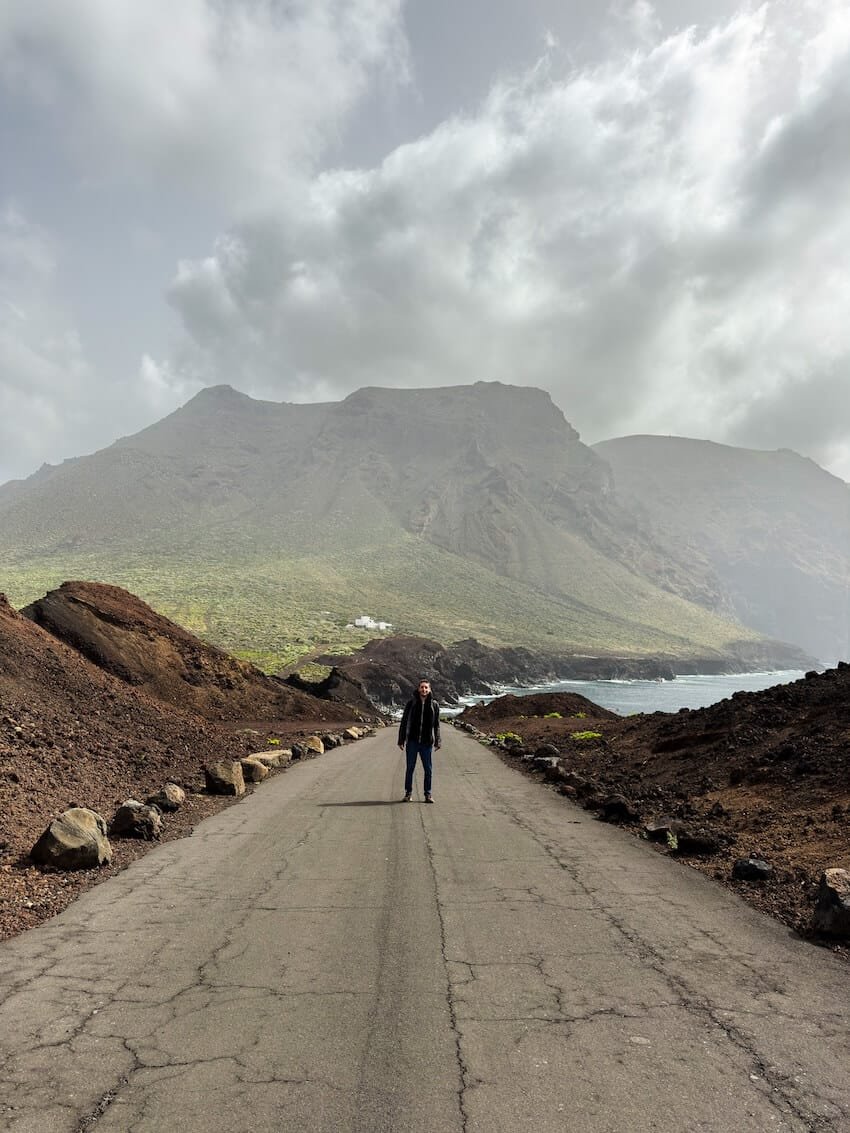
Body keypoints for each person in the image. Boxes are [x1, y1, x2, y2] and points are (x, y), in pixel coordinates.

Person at [398, 678, 441, 803]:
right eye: (422, 687)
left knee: (428, 769)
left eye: (426, 687)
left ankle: (428, 794)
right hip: (412, 741)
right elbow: (404, 721)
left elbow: (437, 725)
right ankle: (408, 793)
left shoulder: (434, 705)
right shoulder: (411, 703)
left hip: (427, 743)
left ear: (429, 689)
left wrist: (438, 740)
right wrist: (401, 740)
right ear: (418, 689)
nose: (424, 689)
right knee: (410, 768)